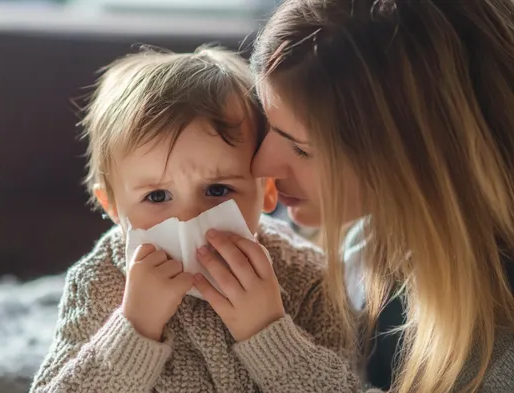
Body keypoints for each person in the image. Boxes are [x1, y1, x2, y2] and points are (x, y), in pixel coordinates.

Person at [192, 0, 514, 392]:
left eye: (302, 148)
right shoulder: (361, 239)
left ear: (417, 160)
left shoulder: (499, 351)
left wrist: (270, 341)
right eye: (269, 126)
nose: (259, 165)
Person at [29, 46, 351, 393]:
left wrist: (268, 331)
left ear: (267, 190)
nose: (188, 217)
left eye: (217, 190)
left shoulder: (309, 278)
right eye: (156, 196)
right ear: (114, 209)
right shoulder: (100, 282)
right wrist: (133, 329)